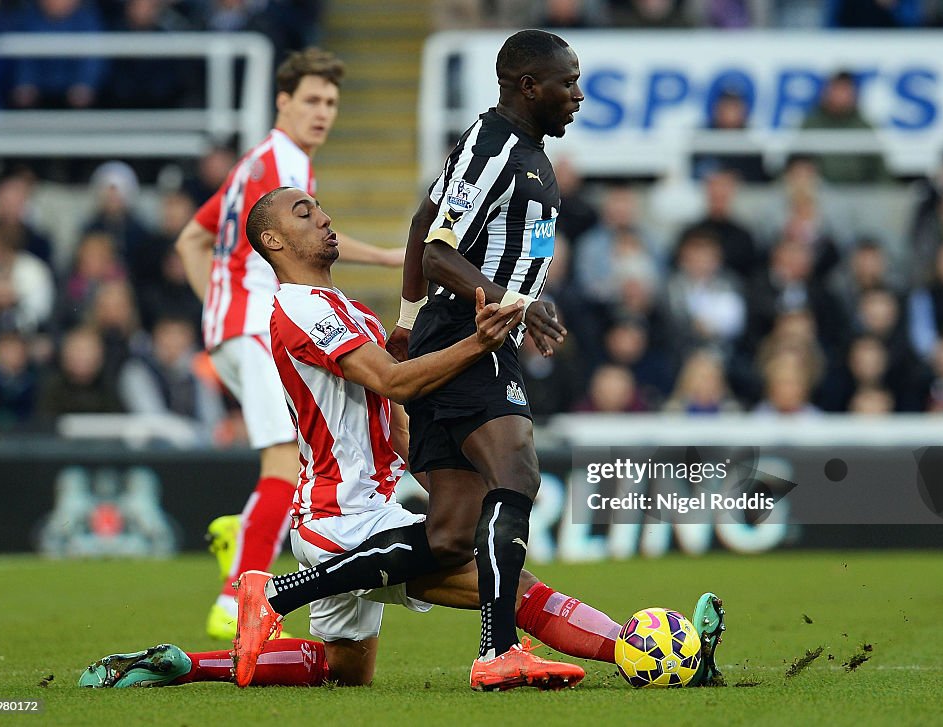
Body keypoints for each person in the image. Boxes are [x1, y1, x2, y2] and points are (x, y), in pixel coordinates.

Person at [80, 186, 722, 691]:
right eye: (306, 213)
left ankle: (184, 665)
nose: (325, 219)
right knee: (510, 581)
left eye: (323, 209)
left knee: (345, 670)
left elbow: (394, 417)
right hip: (344, 513)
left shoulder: (346, 309)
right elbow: (395, 381)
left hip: (361, 507)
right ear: (274, 239)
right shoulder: (299, 309)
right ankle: (647, 652)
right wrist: (482, 339)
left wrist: (439, 475)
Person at [234, 31, 723, 692]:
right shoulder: (493, 146)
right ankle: (500, 649)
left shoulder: (527, 157)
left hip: (464, 330)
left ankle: (282, 592)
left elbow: (420, 223)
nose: (578, 95)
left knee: (448, 536)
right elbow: (437, 249)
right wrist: (511, 306)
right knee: (516, 472)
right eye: (567, 82)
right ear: (529, 85)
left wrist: (407, 326)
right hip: (471, 332)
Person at [174, 48, 405, 640]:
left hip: (232, 328)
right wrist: (383, 255)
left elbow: (190, 240)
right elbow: (304, 237)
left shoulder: (248, 163)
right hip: (258, 326)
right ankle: (237, 597)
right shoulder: (283, 161)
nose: (322, 112)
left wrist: (215, 309)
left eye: (331, 102)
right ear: (283, 101)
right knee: (285, 457)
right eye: (311, 100)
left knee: (296, 455)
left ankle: (245, 532)